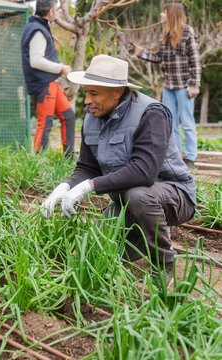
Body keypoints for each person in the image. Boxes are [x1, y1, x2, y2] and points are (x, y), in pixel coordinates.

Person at [41, 54, 196, 288]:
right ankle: (143, 239)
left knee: (139, 195)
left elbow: (144, 172)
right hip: (126, 202)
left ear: (117, 92)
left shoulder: (151, 113)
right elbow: (86, 167)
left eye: (94, 93)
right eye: (86, 92)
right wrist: (65, 186)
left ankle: (163, 265)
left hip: (173, 196)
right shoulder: (92, 118)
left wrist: (89, 186)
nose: (86, 101)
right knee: (96, 248)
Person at [136, 2, 201, 170]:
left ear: (171, 14)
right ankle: (176, 156)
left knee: (187, 122)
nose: (161, 15)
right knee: (170, 123)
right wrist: (142, 53)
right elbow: (159, 57)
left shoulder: (188, 32)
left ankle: (191, 158)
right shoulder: (164, 34)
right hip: (168, 85)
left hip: (184, 85)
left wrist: (194, 84)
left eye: (164, 13)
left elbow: (195, 60)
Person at [21, 0, 75, 156]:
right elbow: (35, 61)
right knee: (45, 123)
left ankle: (69, 158)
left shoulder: (36, 25)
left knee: (68, 117)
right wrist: (61, 68)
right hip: (44, 83)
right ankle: (38, 163)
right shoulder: (37, 30)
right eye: (55, 12)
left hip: (51, 83)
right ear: (50, 13)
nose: (56, 14)